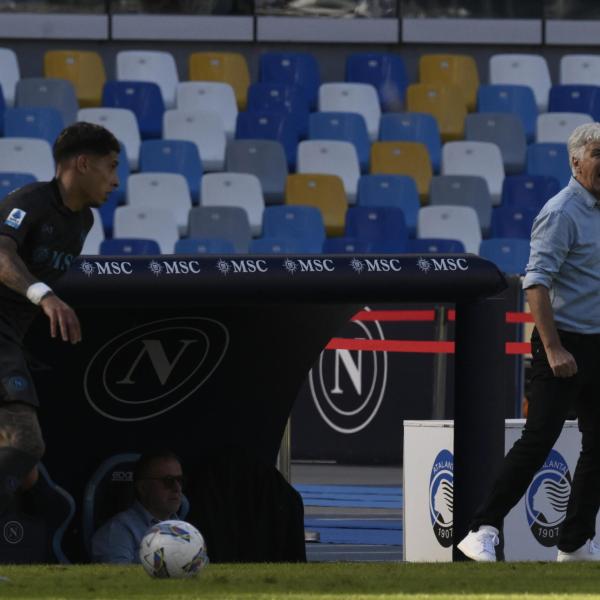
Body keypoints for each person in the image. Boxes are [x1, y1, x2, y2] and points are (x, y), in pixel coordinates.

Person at [457, 122, 600, 563]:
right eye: (599, 154)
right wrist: (554, 346)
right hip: (564, 342)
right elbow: (535, 284)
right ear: (575, 161)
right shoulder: (561, 212)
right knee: (539, 439)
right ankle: (482, 528)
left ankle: (575, 543)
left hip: (597, 342)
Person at [0, 122, 120, 516]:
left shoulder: (82, 222)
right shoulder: (31, 201)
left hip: (10, 340)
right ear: (83, 163)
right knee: (24, 445)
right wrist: (44, 296)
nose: (116, 181)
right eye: (111, 166)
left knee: (24, 466)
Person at [91, 450, 184, 564]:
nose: (177, 488)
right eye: (168, 481)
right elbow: (118, 579)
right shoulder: (118, 530)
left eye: (180, 480)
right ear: (143, 488)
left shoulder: (184, 529)